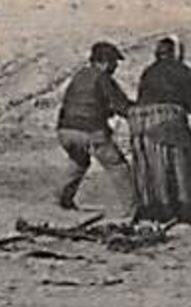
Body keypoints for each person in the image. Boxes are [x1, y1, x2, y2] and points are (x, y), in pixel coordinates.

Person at [129, 37, 191, 223]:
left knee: (154, 167)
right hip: (165, 118)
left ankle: (157, 210)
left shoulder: (148, 72)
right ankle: (190, 211)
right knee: (189, 165)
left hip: (139, 123)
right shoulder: (179, 70)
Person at [55, 41, 136, 215]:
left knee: (79, 161)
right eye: (114, 63)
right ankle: (133, 209)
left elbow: (75, 103)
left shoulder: (79, 75)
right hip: (90, 131)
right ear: (106, 62)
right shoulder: (103, 78)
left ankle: (61, 201)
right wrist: (137, 111)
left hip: (65, 131)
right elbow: (121, 106)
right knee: (118, 166)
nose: (115, 67)